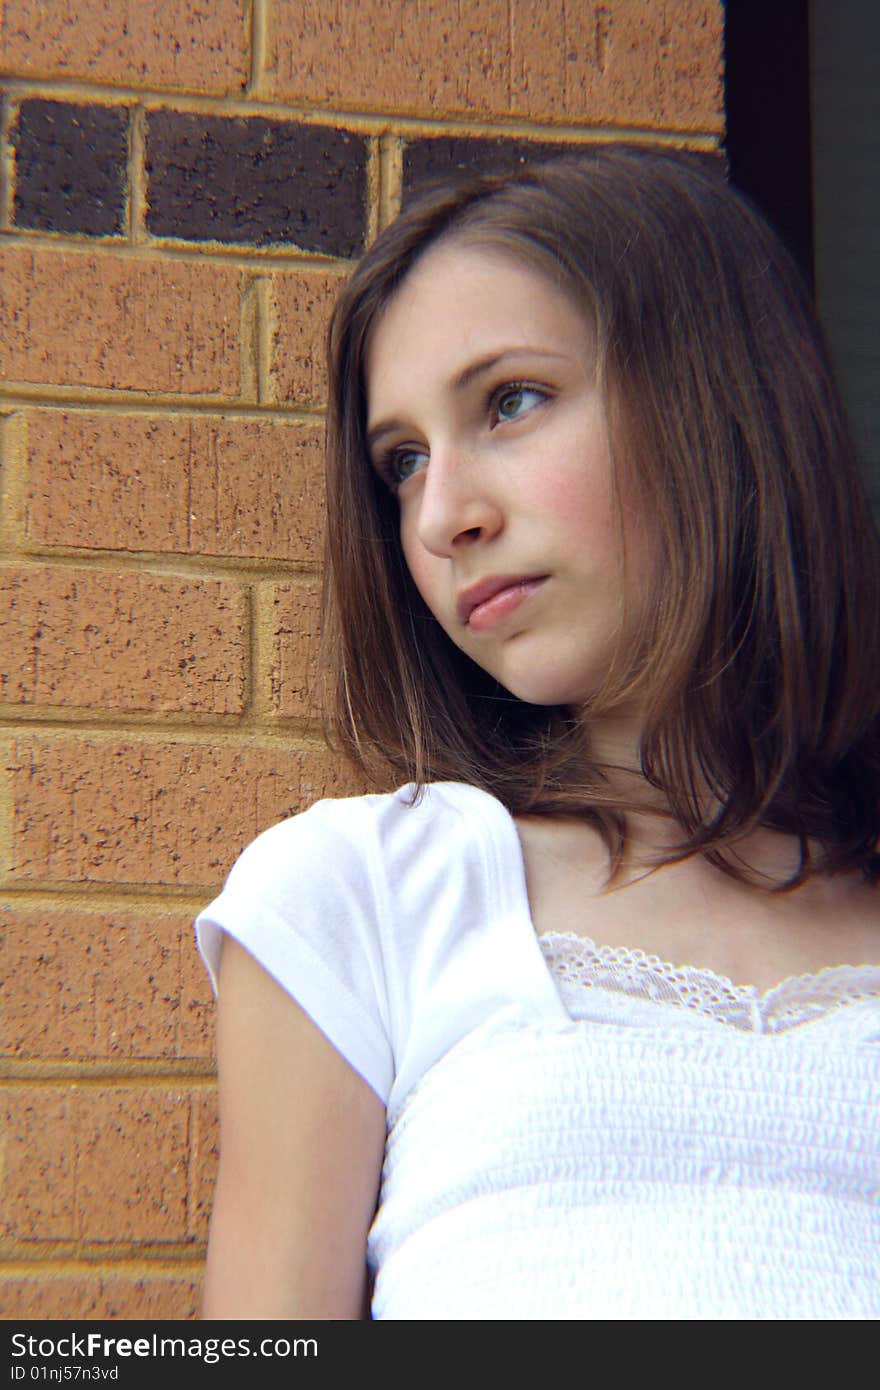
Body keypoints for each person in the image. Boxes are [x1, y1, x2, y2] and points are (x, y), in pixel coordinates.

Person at [196, 148, 880, 1320]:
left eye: (509, 402)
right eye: (400, 463)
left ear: (717, 396)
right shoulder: (364, 891)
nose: (444, 514)